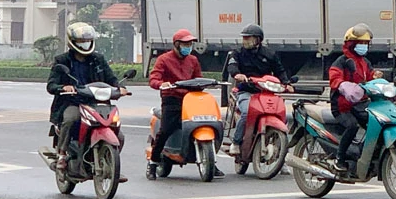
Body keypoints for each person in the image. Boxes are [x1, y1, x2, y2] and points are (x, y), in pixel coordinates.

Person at [46, 22, 128, 171]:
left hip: (96, 103)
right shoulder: (62, 61)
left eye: (87, 41)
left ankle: (110, 165)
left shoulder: (98, 59)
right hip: (72, 102)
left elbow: (111, 78)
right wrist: (63, 87)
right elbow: (51, 85)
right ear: (73, 42)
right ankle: (62, 154)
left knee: (119, 134)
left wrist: (119, 87)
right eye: (81, 42)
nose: (85, 44)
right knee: (71, 119)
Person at [145, 29, 222, 179]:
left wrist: (205, 84)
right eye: (185, 43)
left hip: (191, 99)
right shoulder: (163, 59)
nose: (188, 46)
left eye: (190, 43)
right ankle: (153, 163)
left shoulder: (193, 60)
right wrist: (161, 84)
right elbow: (154, 78)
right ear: (177, 44)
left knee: (207, 122)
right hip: (171, 99)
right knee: (166, 130)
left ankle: (210, 161)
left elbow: (198, 78)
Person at [225, 24, 292, 156]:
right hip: (246, 91)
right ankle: (237, 142)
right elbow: (232, 66)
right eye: (244, 38)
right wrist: (237, 74)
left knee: (281, 116)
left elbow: (280, 70)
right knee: (246, 112)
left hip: (266, 93)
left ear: (258, 40)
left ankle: (282, 152)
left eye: (248, 38)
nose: (245, 41)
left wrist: (287, 83)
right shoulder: (237, 53)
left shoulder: (269, 54)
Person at [327, 24, 383, 175]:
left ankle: (364, 154)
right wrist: (343, 85)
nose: (363, 46)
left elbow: (370, 76)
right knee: (352, 126)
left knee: (376, 123)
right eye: (360, 43)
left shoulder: (364, 62)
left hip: (360, 104)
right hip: (342, 106)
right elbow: (334, 77)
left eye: (366, 43)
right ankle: (340, 158)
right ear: (351, 44)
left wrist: (376, 77)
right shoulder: (342, 61)